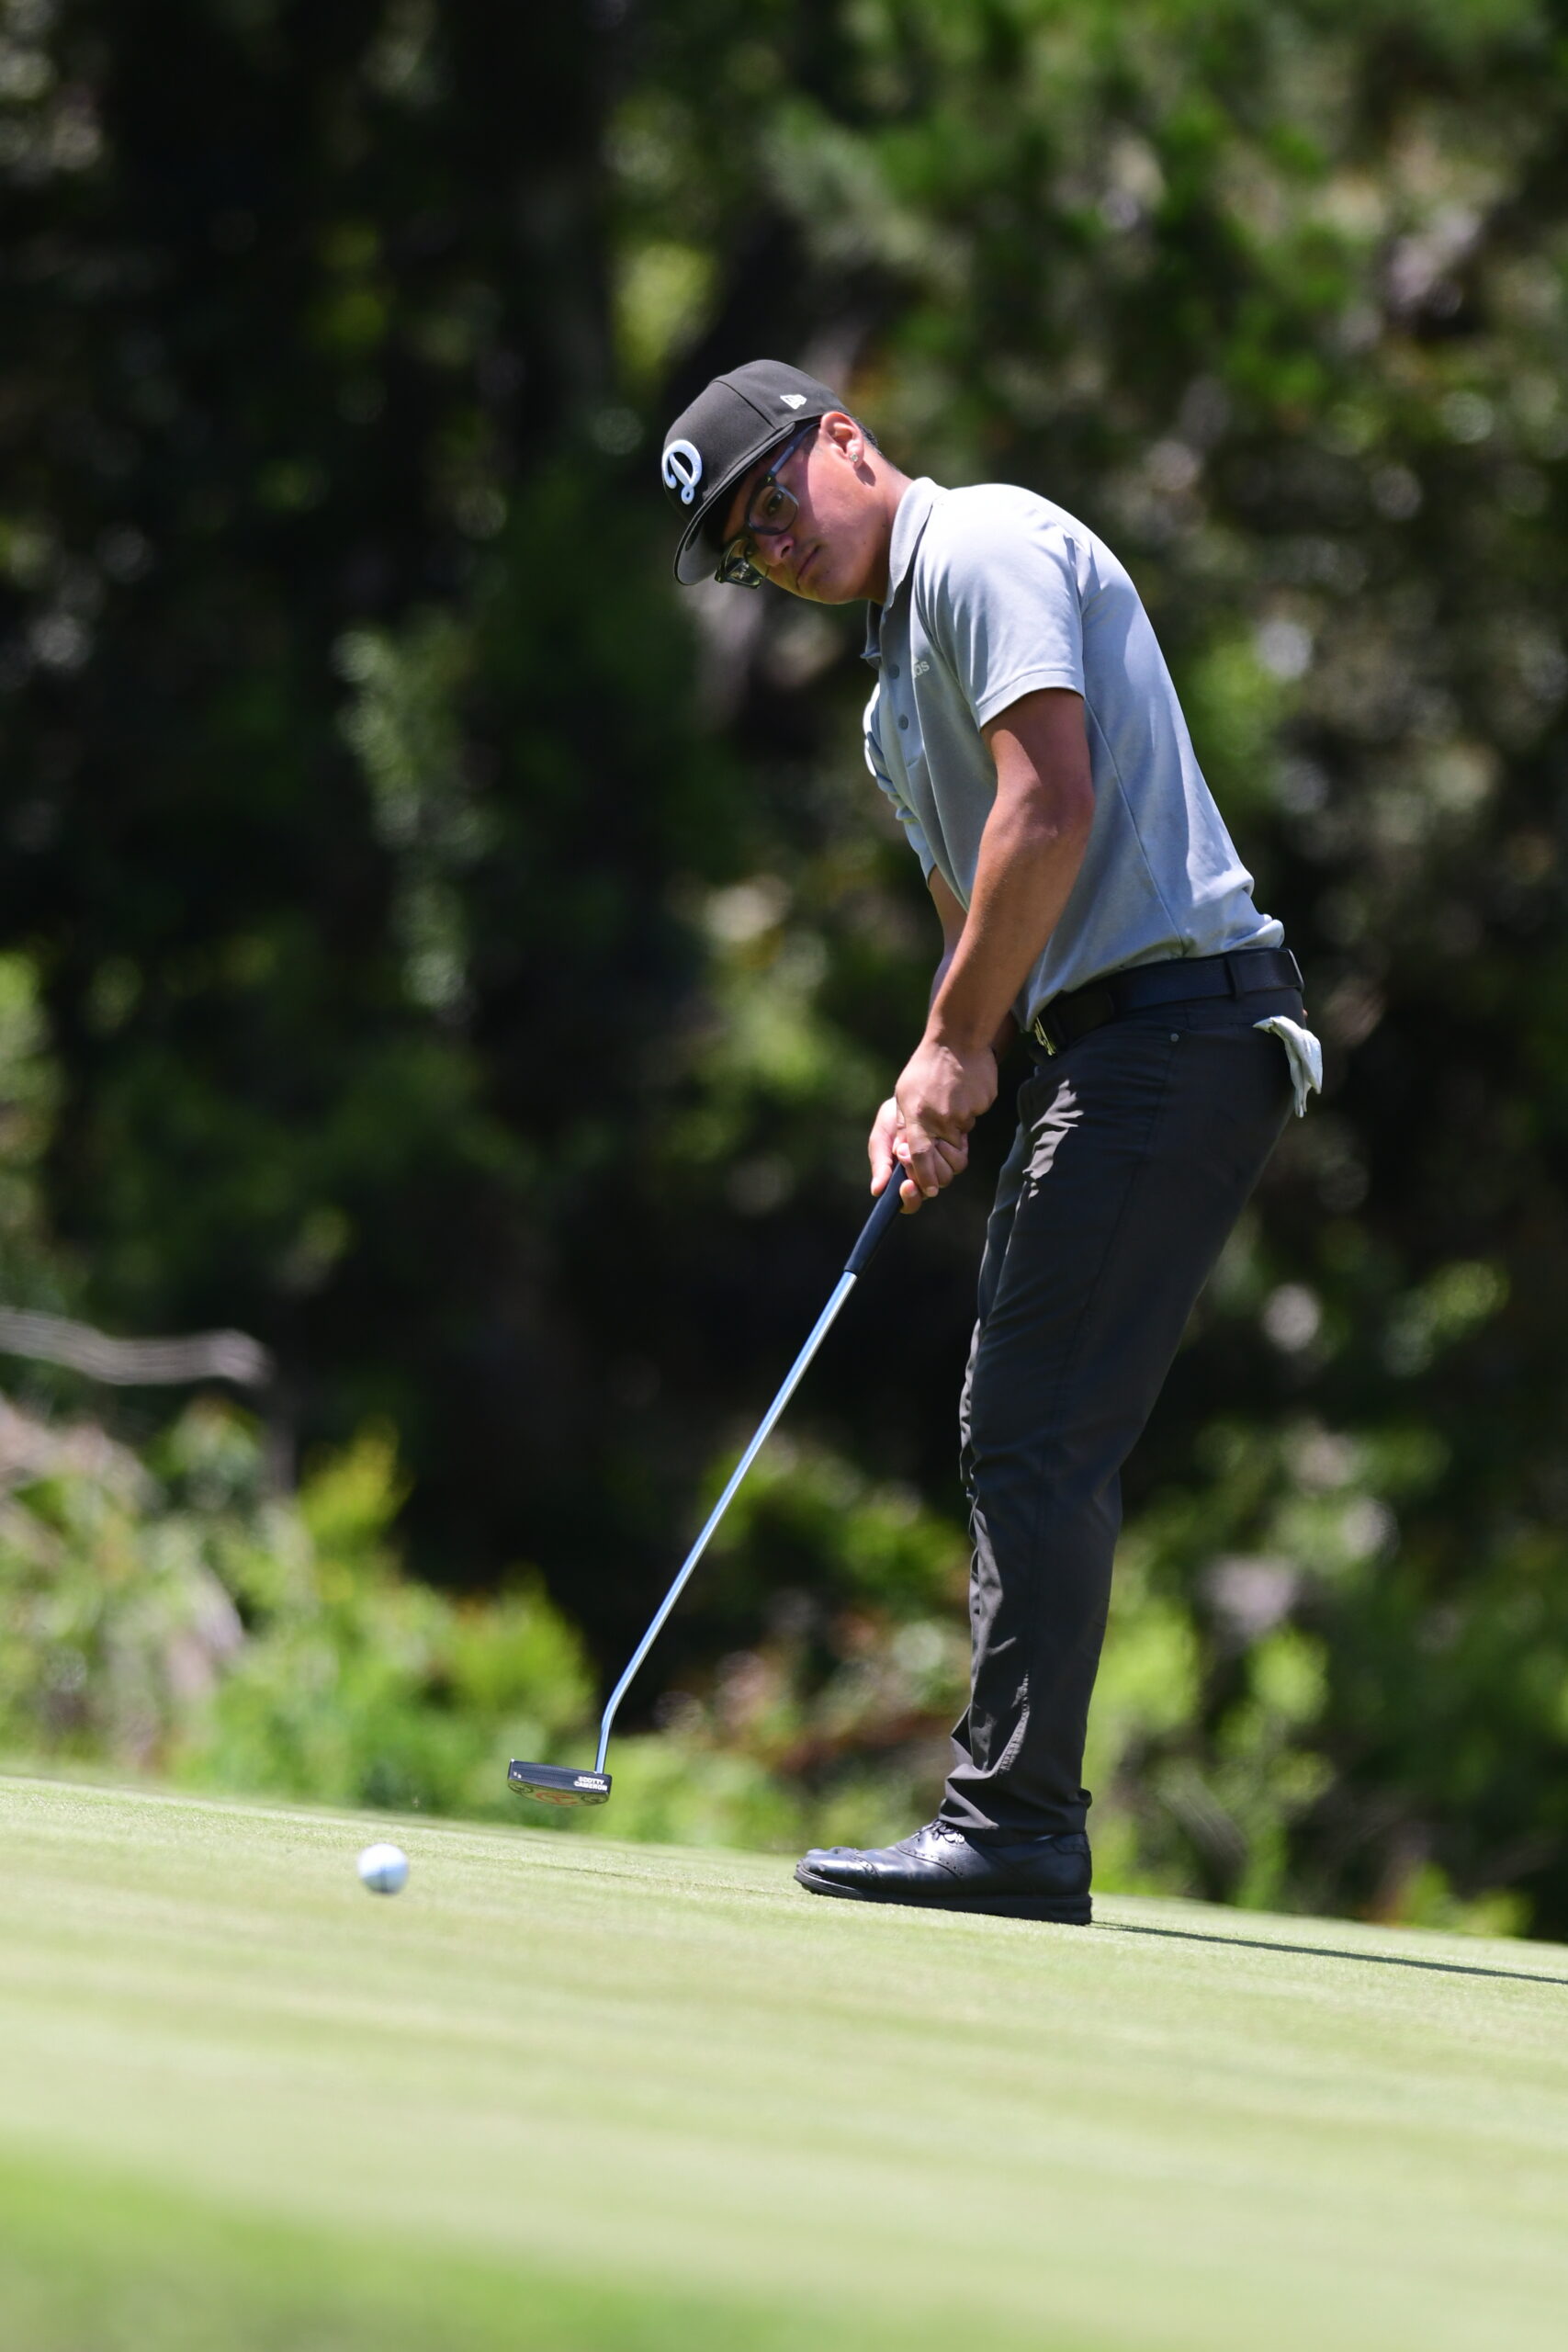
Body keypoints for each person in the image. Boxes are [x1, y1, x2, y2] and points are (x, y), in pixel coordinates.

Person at [659, 360, 1320, 1924]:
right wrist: (935, 1072)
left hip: (1181, 1025)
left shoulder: (981, 547)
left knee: (1033, 1425)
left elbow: (1051, 808)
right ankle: (1015, 1818)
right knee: (1015, 1419)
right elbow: (985, 928)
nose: (772, 546)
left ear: (842, 437)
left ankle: (1016, 1826)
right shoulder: (890, 701)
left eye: (771, 501)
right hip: (1109, 1044)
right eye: (744, 547)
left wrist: (957, 1047)